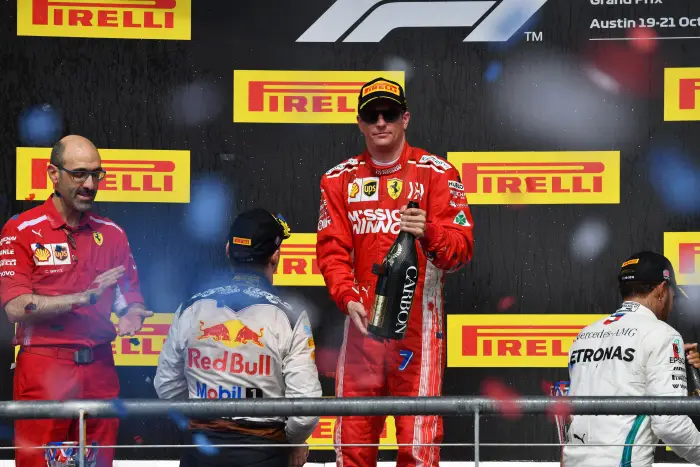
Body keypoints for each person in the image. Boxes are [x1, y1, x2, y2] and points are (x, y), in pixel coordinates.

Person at [316, 77, 474, 467]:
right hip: (361, 329)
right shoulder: (338, 179)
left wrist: (430, 231)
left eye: (389, 113)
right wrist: (347, 296)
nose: (381, 122)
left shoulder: (437, 173)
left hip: (416, 331)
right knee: (351, 449)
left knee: (417, 450)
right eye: (372, 115)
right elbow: (332, 250)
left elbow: (462, 250)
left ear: (406, 118)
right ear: (359, 122)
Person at [0, 135, 153, 467]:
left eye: (97, 175)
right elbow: (15, 307)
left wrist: (133, 315)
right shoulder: (22, 229)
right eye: (79, 174)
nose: (90, 184)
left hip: (100, 368)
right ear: (53, 174)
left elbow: (129, 298)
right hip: (44, 370)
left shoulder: (112, 233)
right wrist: (85, 297)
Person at [154, 208, 321, 467]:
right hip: (265, 455)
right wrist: (289, 441)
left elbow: (166, 385)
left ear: (228, 250)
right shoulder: (289, 316)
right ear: (275, 257)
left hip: (200, 452)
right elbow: (306, 409)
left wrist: (200, 424)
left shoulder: (191, 307)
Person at [563, 251, 700, 466]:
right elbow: (670, 423)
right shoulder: (663, 334)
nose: (672, 302)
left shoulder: (584, 335)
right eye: (673, 294)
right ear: (662, 291)